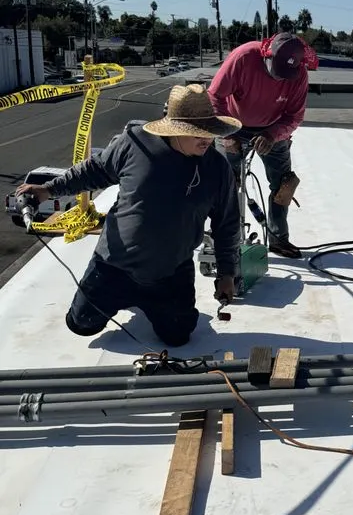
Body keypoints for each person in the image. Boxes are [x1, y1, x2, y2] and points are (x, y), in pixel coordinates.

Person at [15, 84, 242, 347]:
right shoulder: (135, 144)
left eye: (210, 132)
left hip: (170, 272)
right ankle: (124, 299)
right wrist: (48, 190)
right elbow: (93, 171)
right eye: (197, 133)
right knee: (80, 326)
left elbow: (227, 224)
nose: (207, 139)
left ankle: (154, 305)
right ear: (175, 130)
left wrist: (227, 272)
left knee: (178, 337)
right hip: (113, 266)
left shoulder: (217, 168)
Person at [208, 31, 317, 259]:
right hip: (233, 125)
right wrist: (227, 134)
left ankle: (278, 240)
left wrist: (272, 135)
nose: (279, 79)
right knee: (225, 184)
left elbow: (294, 117)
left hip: (272, 129)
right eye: (276, 72)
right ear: (266, 54)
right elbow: (215, 96)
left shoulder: (299, 75)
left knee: (283, 185)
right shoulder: (243, 57)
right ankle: (225, 238)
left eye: (284, 75)